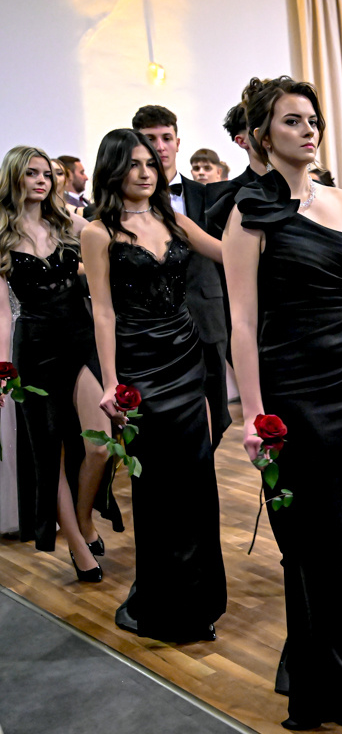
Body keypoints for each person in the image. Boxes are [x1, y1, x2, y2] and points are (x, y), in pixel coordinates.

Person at [223, 76, 342, 730]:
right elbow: (241, 323)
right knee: (315, 539)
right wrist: (254, 416)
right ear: (261, 134)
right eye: (292, 121)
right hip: (293, 394)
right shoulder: (247, 214)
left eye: (313, 121)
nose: (308, 131)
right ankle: (330, 683)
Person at [81, 129, 228, 640]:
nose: (146, 172)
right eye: (133, 164)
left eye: (150, 162)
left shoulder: (173, 218)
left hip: (186, 356)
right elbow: (103, 311)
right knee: (158, 486)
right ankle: (164, 603)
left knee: (196, 479)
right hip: (139, 364)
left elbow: (229, 254)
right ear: (113, 170)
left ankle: (199, 598)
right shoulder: (98, 231)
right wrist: (111, 381)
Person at [0, 146, 109, 582]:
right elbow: (3, 312)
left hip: (81, 339)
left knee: (99, 445)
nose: (42, 181)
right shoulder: (2, 235)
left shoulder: (69, 223)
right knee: (49, 454)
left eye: (47, 174)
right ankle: (78, 544)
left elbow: (109, 236)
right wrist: (3, 366)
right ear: (15, 178)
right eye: (32, 173)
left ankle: (82, 517)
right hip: (35, 348)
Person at [132, 105, 230, 449]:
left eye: (166, 137)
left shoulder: (210, 195)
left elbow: (227, 253)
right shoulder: (116, 207)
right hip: (149, 329)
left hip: (206, 314)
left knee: (215, 415)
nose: (160, 146)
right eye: (150, 139)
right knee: (157, 426)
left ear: (177, 142)